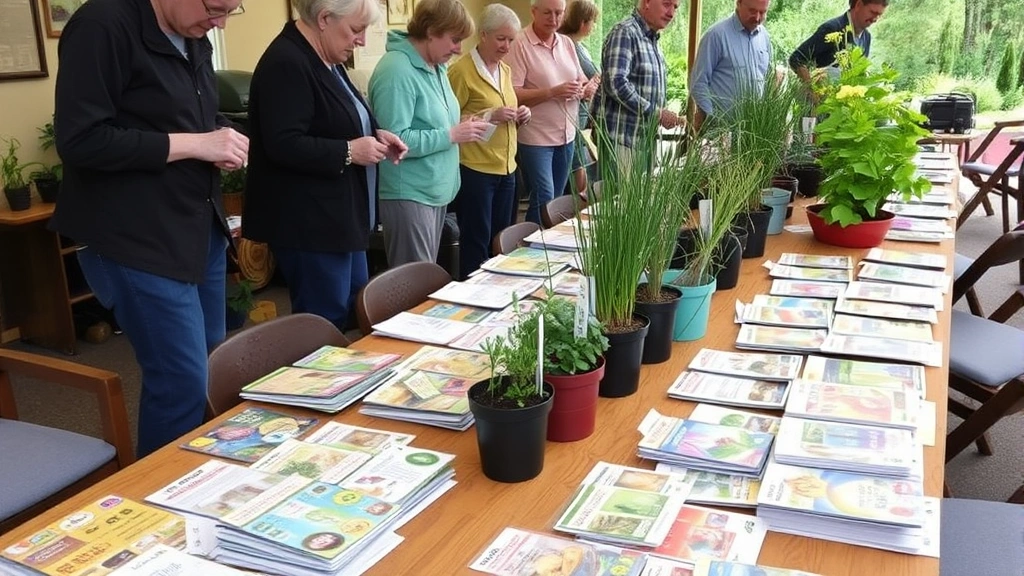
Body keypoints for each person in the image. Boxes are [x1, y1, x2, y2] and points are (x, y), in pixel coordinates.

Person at [51, 0, 249, 458]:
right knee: (179, 379)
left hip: (198, 226)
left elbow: (189, 119)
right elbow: (80, 140)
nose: (219, 23)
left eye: (230, 12)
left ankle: (196, 473)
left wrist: (222, 138)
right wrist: (196, 143)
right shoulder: (102, 26)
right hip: (136, 237)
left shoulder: (193, 33)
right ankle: (160, 505)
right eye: (215, 8)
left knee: (206, 362)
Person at [243, 0, 408, 334]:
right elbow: (283, 143)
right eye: (355, 30)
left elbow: (338, 114)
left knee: (354, 312)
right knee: (323, 323)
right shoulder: (286, 62)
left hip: (342, 219)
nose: (361, 40)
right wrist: (349, 150)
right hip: (311, 224)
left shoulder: (326, 57)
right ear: (323, 19)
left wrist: (373, 132)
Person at [369, 0, 491, 268]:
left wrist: (461, 123)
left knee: (424, 278)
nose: (459, 49)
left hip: (434, 191)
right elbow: (395, 141)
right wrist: (451, 134)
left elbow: (432, 121)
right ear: (431, 31)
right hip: (410, 193)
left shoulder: (436, 65)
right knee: (413, 285)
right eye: (455, 40)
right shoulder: (396, 71)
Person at [447, 4, 531, 278]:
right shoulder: (461, 71)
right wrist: (489, 114)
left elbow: (508, 108)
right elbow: (449, 119)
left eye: (511, 40)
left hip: (507, 167)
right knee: (476, 240)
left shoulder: (505, 71)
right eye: (501, 39)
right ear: (483, 35)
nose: (507, 45)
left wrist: (521, 114)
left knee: (500, 240)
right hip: (476, 169)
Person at [508, 0, 597, 225]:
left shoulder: (566, 43)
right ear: (533, 12)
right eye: (547, 13)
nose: (554, 19)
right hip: (535, 135)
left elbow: (581, 79)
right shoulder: (520, 43)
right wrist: (552, 92)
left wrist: (586, 89)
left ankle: (542, 247)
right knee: (544, 195)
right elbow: (512, 94)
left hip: (567, 134)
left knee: (553, 200)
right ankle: (528, 247)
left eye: (559, 13)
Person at [593, 0, 682, 155]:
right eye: (666, 4)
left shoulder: (652, 40)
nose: (671, 13)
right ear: (647, 2)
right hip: (621, 142)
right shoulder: (625, 33)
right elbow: (616, 83)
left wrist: (661, 112)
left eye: (675, 7)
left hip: (644, 144)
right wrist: (657, 114)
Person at [689, 0, 772, 132]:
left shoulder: (765, 38)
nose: (757, 18)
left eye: (762, 12)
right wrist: (713, 120)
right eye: (752, 11)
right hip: (721, 133)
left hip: (754, 134)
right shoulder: (716, 35)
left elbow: (768, 81)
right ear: (738, 3)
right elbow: (698, 83)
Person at [557, 0, 600, 197]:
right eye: (593, 22)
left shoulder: (580, 46)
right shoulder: (567, 45)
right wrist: (588, 86)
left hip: (582, 115)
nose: (594, 27)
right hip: (570, 117)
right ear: (583, 22)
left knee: (580, 161)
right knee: (577, 163)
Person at [789, 0, 888, 84]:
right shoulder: (833, 28)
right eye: (873, 12)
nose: (875, 19)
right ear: (858, 5)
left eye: (879, 15)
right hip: (818, 101)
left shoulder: (867, 37)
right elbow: (797, 58)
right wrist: (811, 91)